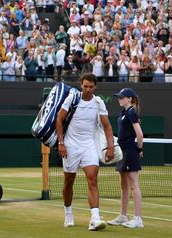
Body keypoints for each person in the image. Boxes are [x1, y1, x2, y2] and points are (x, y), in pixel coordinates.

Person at [55, 73, 115, 231]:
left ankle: (95, 218)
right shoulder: (72, 99)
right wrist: (61, 143)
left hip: (89, 145)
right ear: (81, 85)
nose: (88, 89)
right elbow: (59, 120)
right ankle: (68, 213)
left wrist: (111, 146)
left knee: (92, 179)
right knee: (69, 182)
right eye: (85, 86)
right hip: (70, 146)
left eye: (91, 86)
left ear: (95, 87)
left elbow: (107, 125)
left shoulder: (98, 102)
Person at [108, 88, 144, 228]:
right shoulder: (124, 113)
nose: (119, 99)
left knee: (134, 185)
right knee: (123, 186)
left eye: (122, 97)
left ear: (129, 98)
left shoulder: (131, 112)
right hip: (122, 152)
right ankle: (123, 216)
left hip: (129, 151)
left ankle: (138, 219)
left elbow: (139, 135)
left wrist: (139, 149)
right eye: (119, 97)